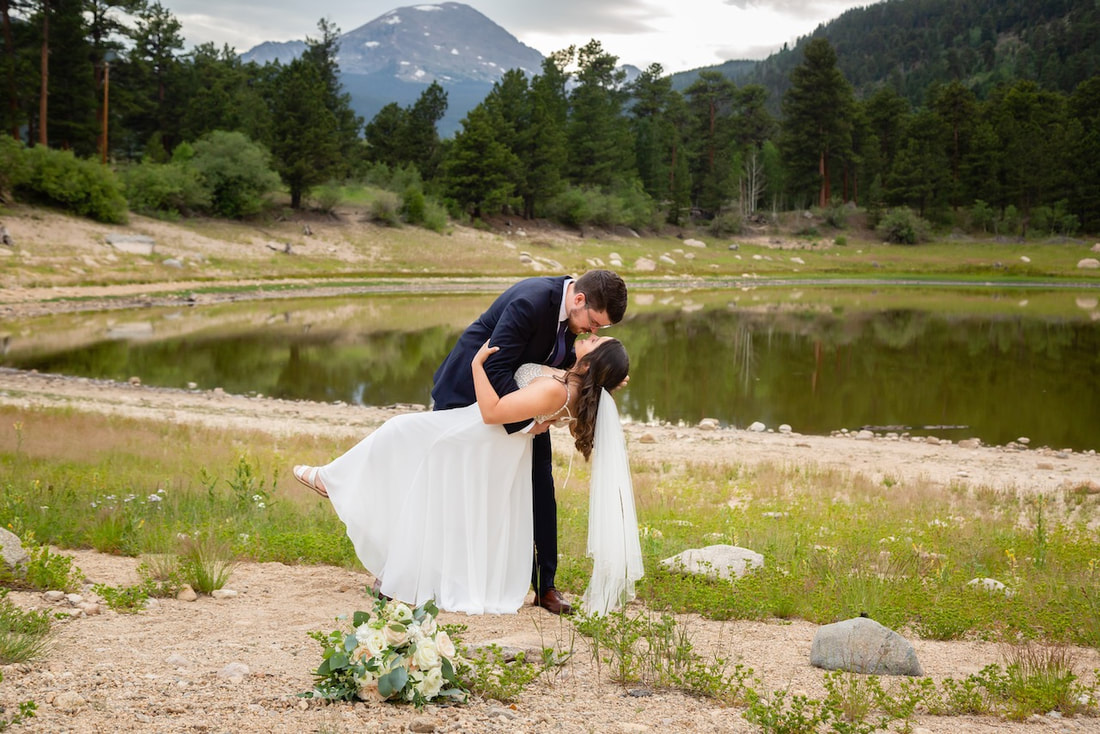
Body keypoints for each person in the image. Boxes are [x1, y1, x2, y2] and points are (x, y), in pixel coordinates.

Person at [292, 335, 641, 616]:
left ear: (591, 361)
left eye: (597, 342)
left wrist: (477, 366)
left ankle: (334, 484)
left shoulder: (558, 390)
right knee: (405, 448)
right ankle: (338, 485)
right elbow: (540, 414)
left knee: (399, 434)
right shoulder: (570, 386)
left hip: (478, 435)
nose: (591, 336)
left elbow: (493, 414)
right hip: (496, 442)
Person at [430, 270, 628, 615]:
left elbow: (567, 375)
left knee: (540, 490)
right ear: (579, 300)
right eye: (595, 323)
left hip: (526, 407)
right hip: (470, 398)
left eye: (602, 330)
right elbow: (497, 367)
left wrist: (601, 381)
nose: (593, 331)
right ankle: (402, 573)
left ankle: (545, 586)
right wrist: (529, 421)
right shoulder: (532, 301)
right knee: (451, 489)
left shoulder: (577, 324)